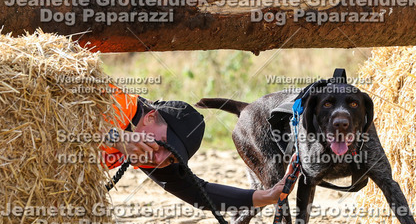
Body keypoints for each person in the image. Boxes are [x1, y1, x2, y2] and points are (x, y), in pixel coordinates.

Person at [101, 87, 289, 209]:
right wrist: (114, 136)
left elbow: (198, 192)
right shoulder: (113, 102)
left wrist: (268, 196)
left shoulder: (154, 152)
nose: (158, 160)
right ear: (150, 117)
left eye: (172, 158)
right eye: (164, 144)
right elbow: (80, 117)